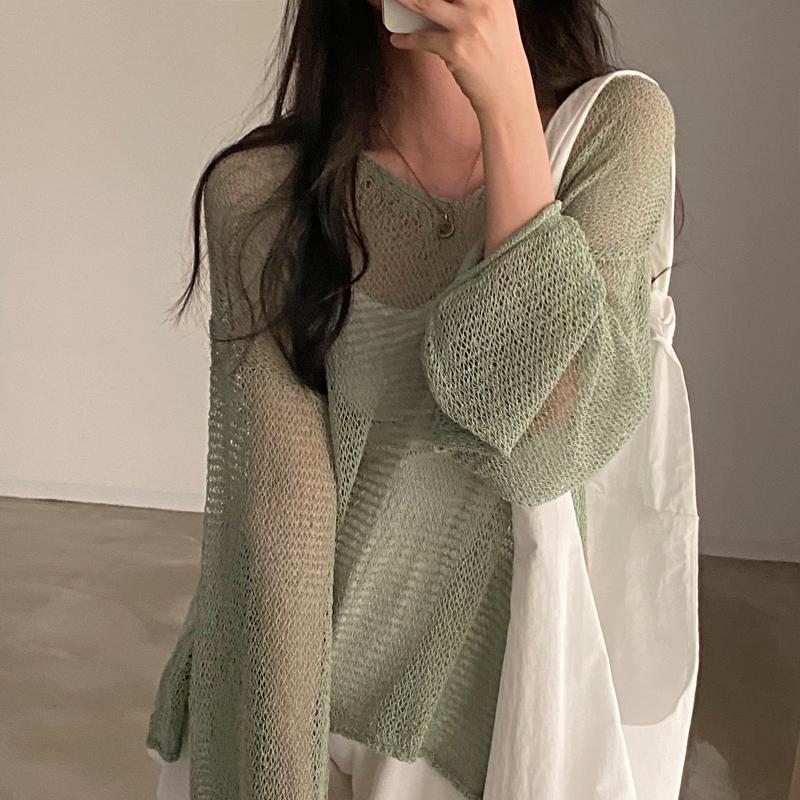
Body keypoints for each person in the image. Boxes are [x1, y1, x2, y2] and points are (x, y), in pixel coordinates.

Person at [145, 0, 694, 798]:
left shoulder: (614, 133)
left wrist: (507, 110)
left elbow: (545, 447)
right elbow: (277, 523)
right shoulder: (263, 194)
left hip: (467, 739)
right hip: (274, 709)